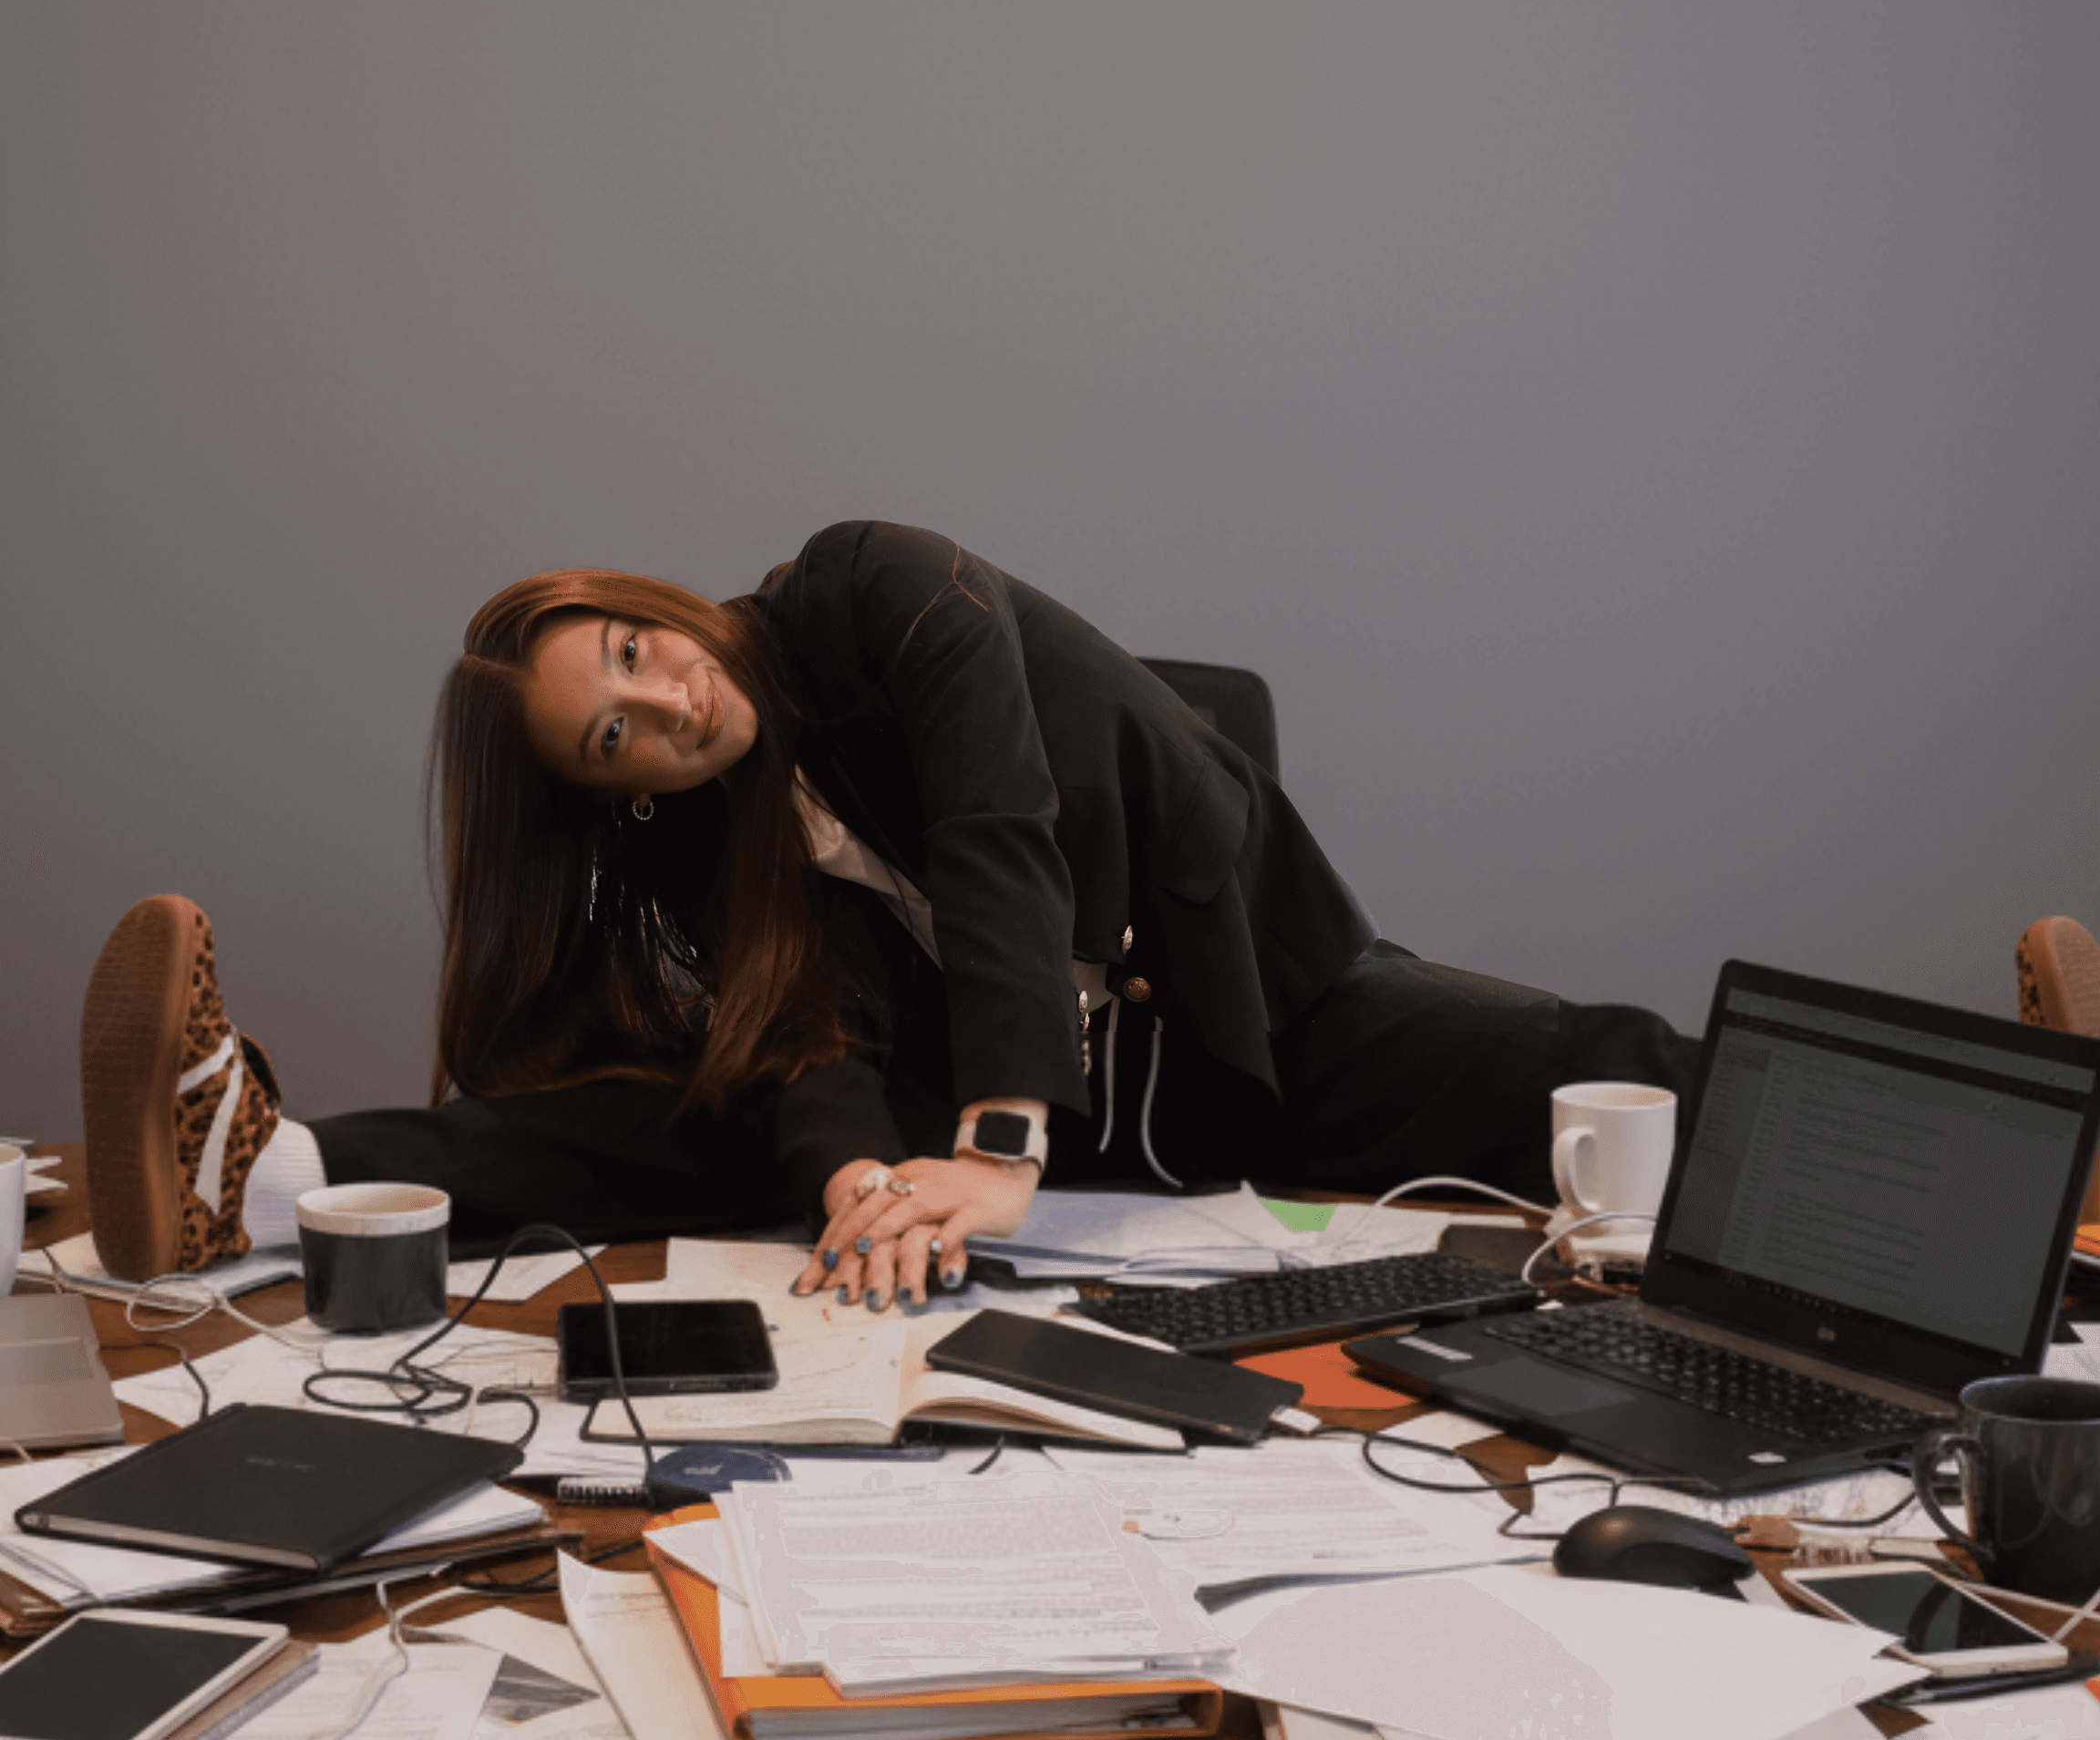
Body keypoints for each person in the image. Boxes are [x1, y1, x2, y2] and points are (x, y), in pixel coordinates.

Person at [81, 521, 1698, 1302]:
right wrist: (858, 1173)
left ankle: (1888, 1222)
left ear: (651, 607)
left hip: (1238, 1034)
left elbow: (1004, 826)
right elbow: (811, 1040)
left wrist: (995, 1147)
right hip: (982, 1125)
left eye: (636, 653)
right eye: (612, 733)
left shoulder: (871, 589)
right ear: (615, 787)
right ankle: (274, 1177)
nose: (666, 700)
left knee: (1591, 1077)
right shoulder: (707, 841)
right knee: (706, 1115)